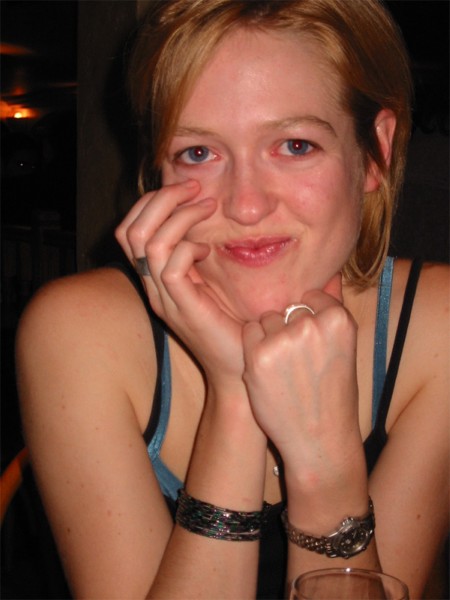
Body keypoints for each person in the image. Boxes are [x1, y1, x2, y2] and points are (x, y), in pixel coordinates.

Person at [16, 1, 448, 598]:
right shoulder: (77, 333)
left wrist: (326, 469)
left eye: (294, 145)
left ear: (375, 150)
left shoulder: (437, 330)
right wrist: (236, 397)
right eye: (198, 153)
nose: (246, 206)